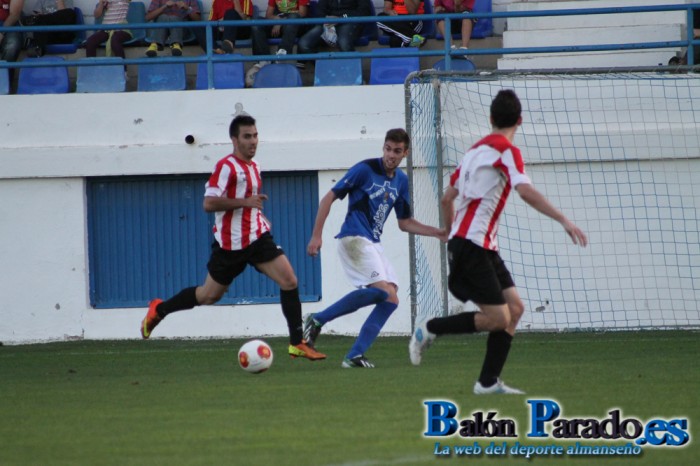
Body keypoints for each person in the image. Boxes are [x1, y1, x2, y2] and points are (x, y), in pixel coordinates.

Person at [409, 90, 588, 394]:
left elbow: (446, 198)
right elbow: (525, 191)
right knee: (498, 318)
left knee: (515, 309)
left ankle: (487, 382)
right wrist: (563, 220)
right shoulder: (506, 150)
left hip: (479, 245)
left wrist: (451, 232)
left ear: (491, 118)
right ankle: (430, 328)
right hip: (473, 246)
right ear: (519, 120)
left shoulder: (472, 153)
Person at [140, 114, 326, 362]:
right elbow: (208, 203)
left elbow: (250, 203)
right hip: (230, 246)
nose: (253, 141)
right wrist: (244, 203)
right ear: (234, 140)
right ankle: (159, 310)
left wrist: (259, 215)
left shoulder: (255, 166)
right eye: (247, 136)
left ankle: (296, 343)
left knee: (290, 280)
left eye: (255, 135)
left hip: (257, 238)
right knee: (209, 296)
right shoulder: (225, 167)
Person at [304, 128, 447, 368]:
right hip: (354, 237)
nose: (391, 155)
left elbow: (404, 223)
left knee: (391, 299)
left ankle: (354, 356)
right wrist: (316, 235)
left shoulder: (401, 181)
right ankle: (318, 319)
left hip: (373, 242)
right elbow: (328, 197)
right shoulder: (365, 169)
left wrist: (437, 232)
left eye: (397, 151)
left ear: (405, 153)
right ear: (383, 147)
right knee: (382, 291)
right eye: (388, 149)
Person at [245, 0, 309, 86]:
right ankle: (264, 59)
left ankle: (282, 54)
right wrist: (277, 20)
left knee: (293, 17)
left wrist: (281, 22)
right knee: (257, 23)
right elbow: (268, 14)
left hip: (294, 25)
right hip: (278, 24)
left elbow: (302, 13)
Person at [296, 0, 371, 58]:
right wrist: (325, 18)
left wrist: (341, 18)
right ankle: (327, 69)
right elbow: (320, 10)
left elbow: (365, 11)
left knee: (343, 42)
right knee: (304, 43)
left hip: (349, 22)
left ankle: (353, 75)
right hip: (329, 23)